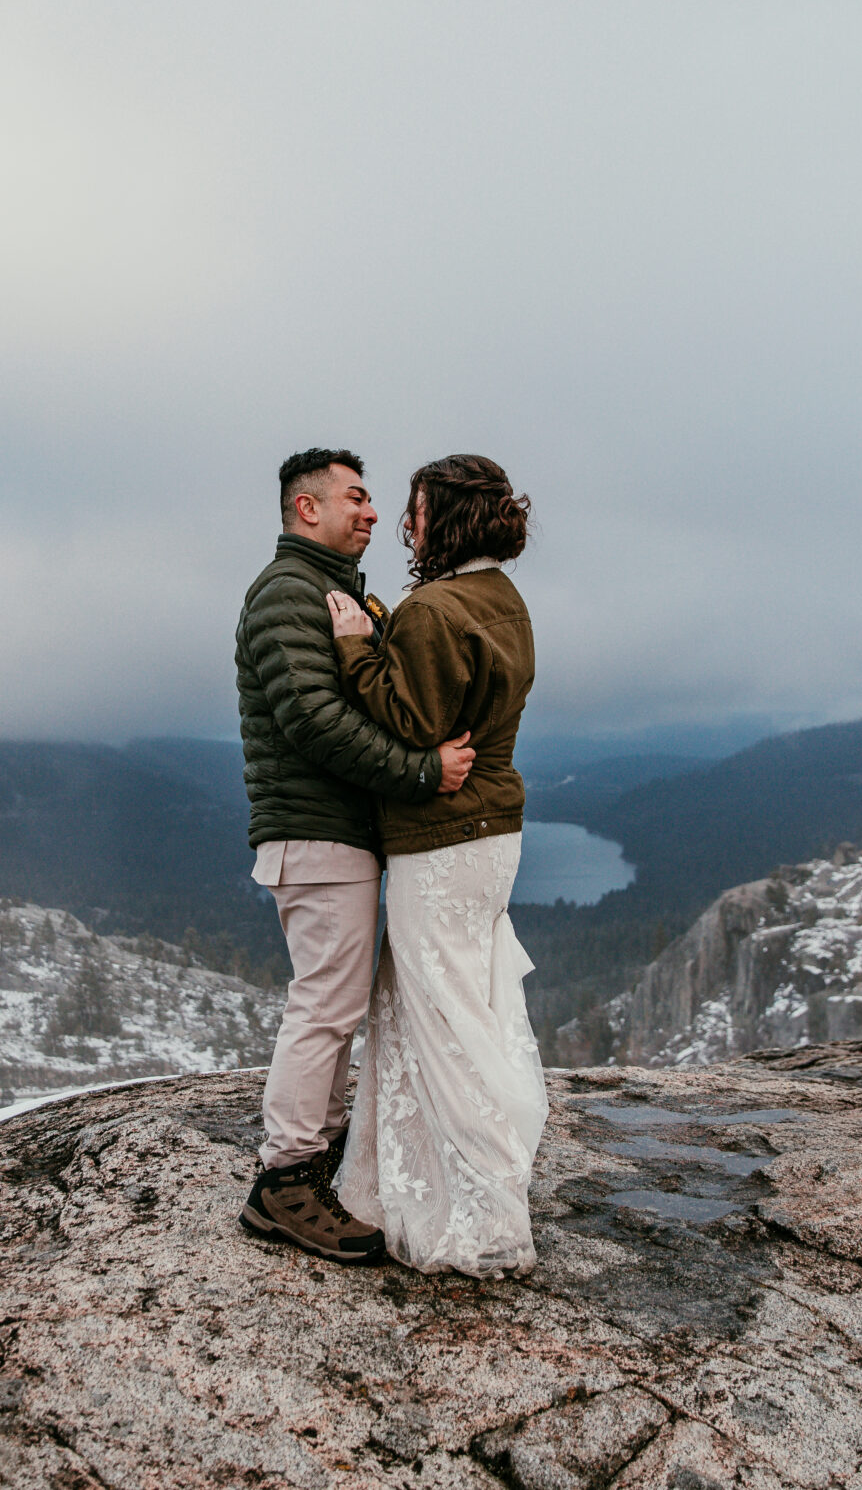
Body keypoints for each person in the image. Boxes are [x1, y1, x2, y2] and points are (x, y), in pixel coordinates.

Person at [234, 448, 476, 1264]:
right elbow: (311, 720)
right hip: (314, 832)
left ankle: (318, 1153)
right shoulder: (284, 594)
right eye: (357, 497)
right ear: (307, 508)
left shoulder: (326, 589)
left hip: (336, 833)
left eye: (374, 501)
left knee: (334, 999)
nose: (371, 513)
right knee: (326, 1003)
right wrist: (419, 771)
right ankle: (285, 1181)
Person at [322, 454, 546, 1276]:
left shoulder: (434, 608)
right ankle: (407, 1185)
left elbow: (409, 718)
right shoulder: (504, 601)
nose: (406, 524)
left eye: (417, 511)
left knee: (441, 1018)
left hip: (442, 839)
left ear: (445, 517)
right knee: (453, 1001)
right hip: (494, 835)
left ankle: (486, 1207)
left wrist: (355, 646)